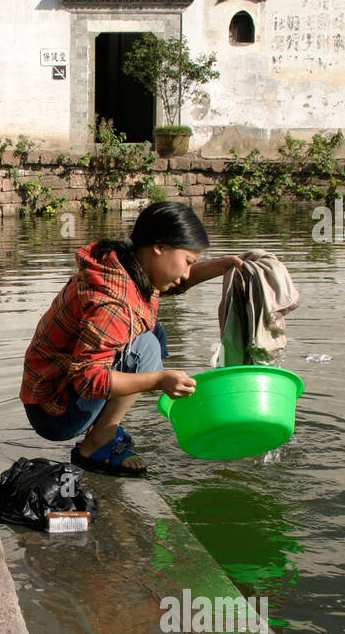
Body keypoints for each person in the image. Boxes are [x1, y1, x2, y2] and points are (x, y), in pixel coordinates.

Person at [20, 201, 243, 476]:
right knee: (147, 344)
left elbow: (172, 284)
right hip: (56, 413)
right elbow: (88, 379)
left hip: (49, 394)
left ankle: (101, 429)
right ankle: (97, 442)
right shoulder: (114, 302)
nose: (186, 273)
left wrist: (224, 266)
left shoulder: (125, 263)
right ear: (159, 247)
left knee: (151, 333)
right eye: (187, 262)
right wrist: (159, 380)